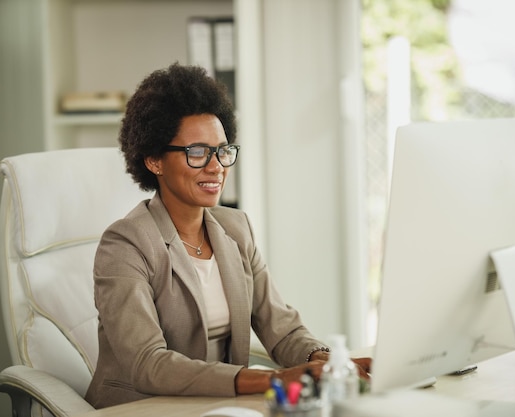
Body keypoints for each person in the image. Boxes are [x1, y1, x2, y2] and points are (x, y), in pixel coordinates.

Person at [84, 63, 371, 408]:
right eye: (197, 152)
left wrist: (326, 361)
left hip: (217, 404)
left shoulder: (236, 229)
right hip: (141, 407)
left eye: (222, 150)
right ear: (155, 160)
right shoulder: (125, 244)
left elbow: (281, 328)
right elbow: (149, 364)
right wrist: (272, 379)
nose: (216, 165)